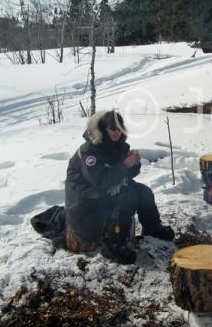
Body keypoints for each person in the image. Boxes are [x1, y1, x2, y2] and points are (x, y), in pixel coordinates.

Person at [65, 110, 174, 264]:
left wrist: (133, 164)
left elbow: (124, 175)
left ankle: (152, 228)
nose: (116, 132)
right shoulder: (90, 151)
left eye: (119, 128)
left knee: (144, 192)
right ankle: (113, 243)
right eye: (112, 128)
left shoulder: (119, 146)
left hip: (105, 188)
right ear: (103, 129)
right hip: (85, 198)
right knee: (126, 197)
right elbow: (100, 181)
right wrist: (124, 165)